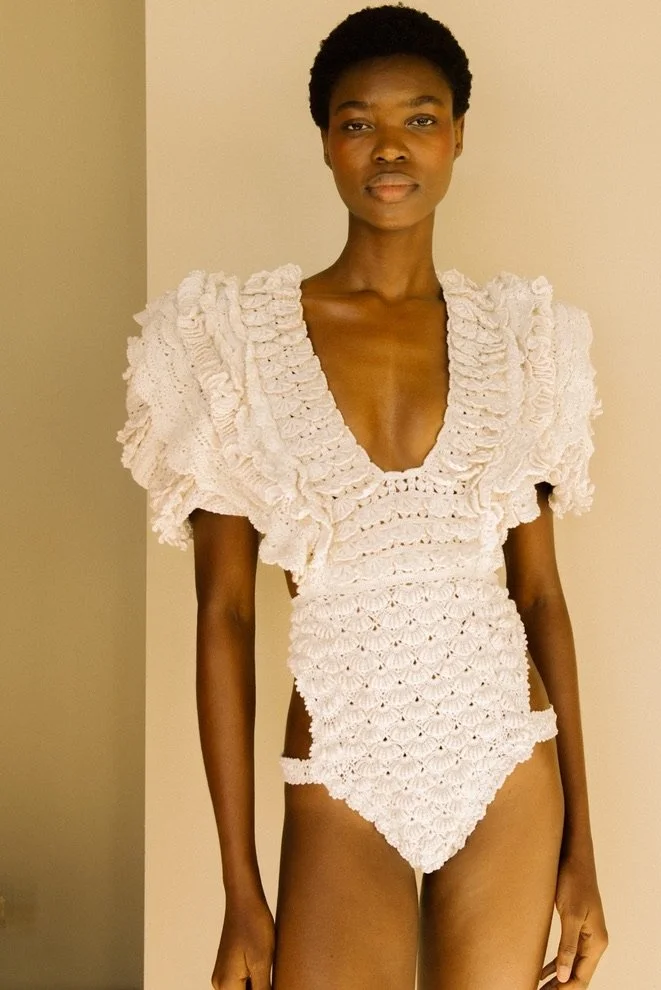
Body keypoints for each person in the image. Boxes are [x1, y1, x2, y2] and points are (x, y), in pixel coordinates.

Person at [118, 5, 608, 988]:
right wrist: (240, 894)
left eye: (419, 119)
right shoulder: (230, 345)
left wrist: (583, 858)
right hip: (340, 773)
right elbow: (223, 613)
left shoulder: (520, 342)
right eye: (356, 122)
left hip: (507, 757)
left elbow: (541, 597)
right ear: (327, 144)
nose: (388, 149)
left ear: (457, 134)